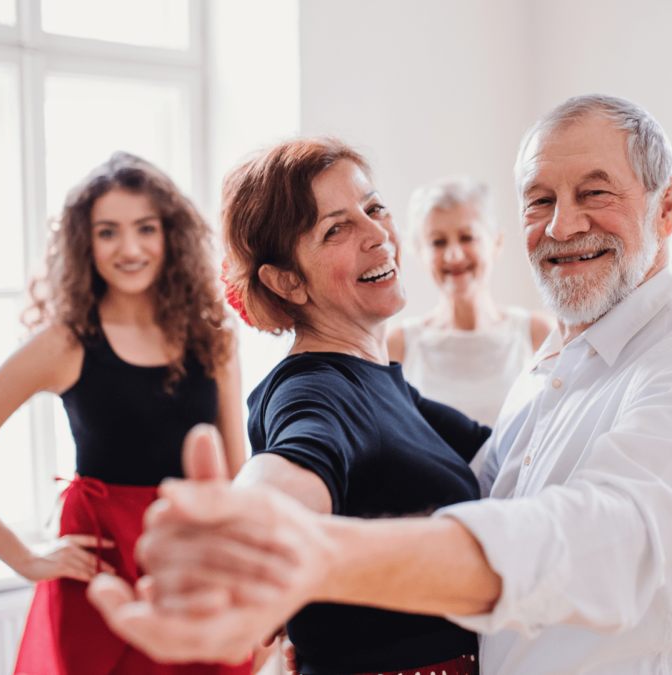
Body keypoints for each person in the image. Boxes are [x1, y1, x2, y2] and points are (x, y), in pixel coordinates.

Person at [90, 94, 672, 675]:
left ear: (667, 208)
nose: (564, 223)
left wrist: (312, 559)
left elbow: (597, 538)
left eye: (594, 192)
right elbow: (295, 466)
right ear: (287, 279)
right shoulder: (534, 372)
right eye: (540, 199)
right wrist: (249, 547)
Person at [0, 153, 251, 675]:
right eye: (108, 232)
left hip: (194, 564)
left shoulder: (215, 338)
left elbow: (235, 475)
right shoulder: (63, 344)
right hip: (99, 576)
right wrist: (25, 559)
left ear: (171, 235)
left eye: (145, 228)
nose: (131, 248)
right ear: (84, 244)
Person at [183, 138, 492, 674]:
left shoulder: (387, 386)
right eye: (335, 229)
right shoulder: (318, 390)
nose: (377, 234)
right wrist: (240, 533)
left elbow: (516, 448)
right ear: (287, 280)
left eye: (373, 208)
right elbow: (292, 466)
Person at [386, 176, 554, 425]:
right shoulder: (397, 347)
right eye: (437, 242)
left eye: (467, 237)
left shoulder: (540, 334)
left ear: (497, 242)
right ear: (419, 253)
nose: (454, 254)